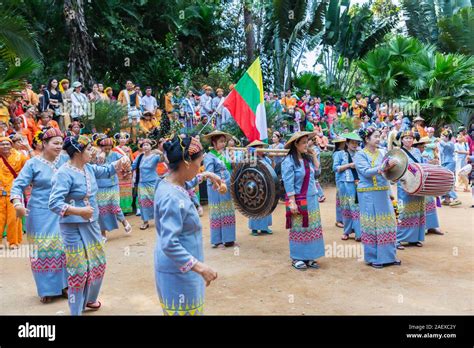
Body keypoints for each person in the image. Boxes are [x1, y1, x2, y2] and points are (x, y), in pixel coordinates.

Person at [48, 135, 131, 315]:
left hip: (92, 224)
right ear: (78, 152)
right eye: (88, 149)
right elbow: (54, 203)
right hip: (72, 227)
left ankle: (91, 300)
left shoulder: (89, 168)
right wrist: (79, 211)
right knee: (78, 269)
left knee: (98, 263)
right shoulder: (64, 173)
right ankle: (75, 310)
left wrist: (122, 160)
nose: (92, 151)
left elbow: (108, 169)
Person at [154, 135, 219, 315]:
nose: (201, 167)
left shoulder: (169, 182)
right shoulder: (172, 198)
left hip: (182, 268)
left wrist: (206, 175)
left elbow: (186, 182)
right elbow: (169, 243)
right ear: (187, 162)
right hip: (178, 272)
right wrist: (200, 267)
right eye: (200, 163)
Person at [10, 127, 69, 303]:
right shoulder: (32, 163)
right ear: (44, 144)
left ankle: (65, 285)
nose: (59, 146)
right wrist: (18, 204)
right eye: (55, 143)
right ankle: (47, 289)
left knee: (63, 247)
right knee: (43, 250)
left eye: (61, 143)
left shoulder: (65, 160)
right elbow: (17, 185)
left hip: (62, 211)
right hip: (40, 213)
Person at [354, 127, 401, 268]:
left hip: (383, 192)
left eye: (379, 136)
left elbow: (388, 173)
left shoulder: (382, 152)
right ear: (366, 139)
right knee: (372, 224)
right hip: (368, 193)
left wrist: (392, 173)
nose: (378, 139)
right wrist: (383, 167)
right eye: (375, 136)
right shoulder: (360, 155)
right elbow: (365, 172)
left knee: (387, 223)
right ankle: (373, 258)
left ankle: (389, 256)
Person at [281, 131, 325, 271]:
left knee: (311, 226)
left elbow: (317, 173)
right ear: (296, 144)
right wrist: (292, 201)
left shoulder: (307, 159)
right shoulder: (288, 161)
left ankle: (310, 256)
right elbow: (288, 182)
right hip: (298, 199)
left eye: (307, 142)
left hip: (312, 198)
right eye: (304, 143)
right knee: (299, 227)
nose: (307, 145)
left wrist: (313, 156)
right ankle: (297, 257)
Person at [202, 130, 237, 248]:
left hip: (226, 185)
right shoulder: (209, 156)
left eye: (224, 142)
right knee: (217, 211)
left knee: (227, 210)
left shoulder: (225, 154)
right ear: (214, 142)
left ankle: (228, 239)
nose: (223, 144)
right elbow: (209, 173)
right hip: (215, 187)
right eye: (221, 142)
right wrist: (217, 185)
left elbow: (232, 167)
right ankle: (217, 240)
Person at [94, 136, 132, 239]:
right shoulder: (94, 155)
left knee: (116, 207)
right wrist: (97, 157)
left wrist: (125, 161)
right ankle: (103, 234)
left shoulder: (115, 154)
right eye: (104, 148)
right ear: (100, 147)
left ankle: (124, 222)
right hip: (100, 187)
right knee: (101, 210)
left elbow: (125, 159)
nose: (107, 150)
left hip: (113, 185)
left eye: (109, 148)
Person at [395, 131, 426, 249]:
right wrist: (413, 171)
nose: (408, 140)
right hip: (404, 183)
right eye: (406, 138)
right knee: (404, 210)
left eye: (411, 138)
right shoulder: (398, 152)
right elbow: (398, 168)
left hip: (418, 184)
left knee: (417, 209)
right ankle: (398, 239)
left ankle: (414, 238)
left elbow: (421, 164)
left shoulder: (417, 151)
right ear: (401, 140)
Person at [0, 136, 30, 249]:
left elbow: (30, 165)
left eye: (7, 144)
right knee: (0, 218)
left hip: (14, 192)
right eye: (2, 144)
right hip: (0, 192)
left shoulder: (19, 156)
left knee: (13, 218)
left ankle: (14, 242)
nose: (5, 146)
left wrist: (27, 148)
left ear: (11, 145)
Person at [333, 132, 362, 241]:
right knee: (346, 207)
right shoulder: (340, 154)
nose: (355, 145)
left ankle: (359, 233)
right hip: (344, 183)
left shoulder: (360, 154)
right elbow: (335, 168)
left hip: (358, 183)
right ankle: (347, 231)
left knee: (357, 208)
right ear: (347, 143)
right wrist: (349, 165)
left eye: (356, 143)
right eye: (352, 142)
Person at [413, 137, 444, 235]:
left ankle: (432, 226)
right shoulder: (413, 153)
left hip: (426, 181)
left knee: (430, 203)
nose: (423, 147)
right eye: (421, 146)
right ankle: (423, 227)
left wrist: (432, 163)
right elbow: (413, 167)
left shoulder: (424, 154)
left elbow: (425, 163)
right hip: (416, 182)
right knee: (420, 205)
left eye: (423, 145)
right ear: (416, 146)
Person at [131, 138, 163, 230]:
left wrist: (160, 153)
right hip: (142, 183)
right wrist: (124, 168)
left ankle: (160, 219)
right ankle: (145, 221)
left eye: (147, 145)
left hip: (153, 182)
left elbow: (164, 160)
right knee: (143, 202)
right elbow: (133, 166)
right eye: (144, 145)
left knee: (155, 201)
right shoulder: (139, 156)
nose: (145, 147)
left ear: (151, 146)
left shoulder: (155, 156)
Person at [247, 140, 273, 236]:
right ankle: (254, 228)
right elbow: (250, 169)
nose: (261, 149)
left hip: (266, 184)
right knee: (254, 205)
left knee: (266, 205)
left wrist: (272, 158)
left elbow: (272, 168)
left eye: (262, 146)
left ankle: (264, 227)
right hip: (254, 185)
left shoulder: (266, 158)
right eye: (259, 147)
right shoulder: (252, 158)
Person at [439, 130, 462, 206]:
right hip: (444, 163)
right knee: (444, 181)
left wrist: (440, 141)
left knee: (446, 180)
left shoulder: (451, 143)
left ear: (447, 137)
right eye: (441, 136)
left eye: (443, 136)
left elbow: (446, 146)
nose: (441, 137)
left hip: (450, 162)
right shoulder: (441, 144)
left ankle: (455, 198)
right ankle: (446, 199)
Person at [113, 132, 134, 214]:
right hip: (119, 172)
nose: (123, 139)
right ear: (118, 139)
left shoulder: (129, 149)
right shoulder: (115, 149)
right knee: (120, 191)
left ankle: (128, 208)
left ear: (127, 140)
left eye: (124, 138)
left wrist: (128, 169)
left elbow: (131, 160)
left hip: (128, 172)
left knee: (128, 190)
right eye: (121, 138)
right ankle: (120, 209)